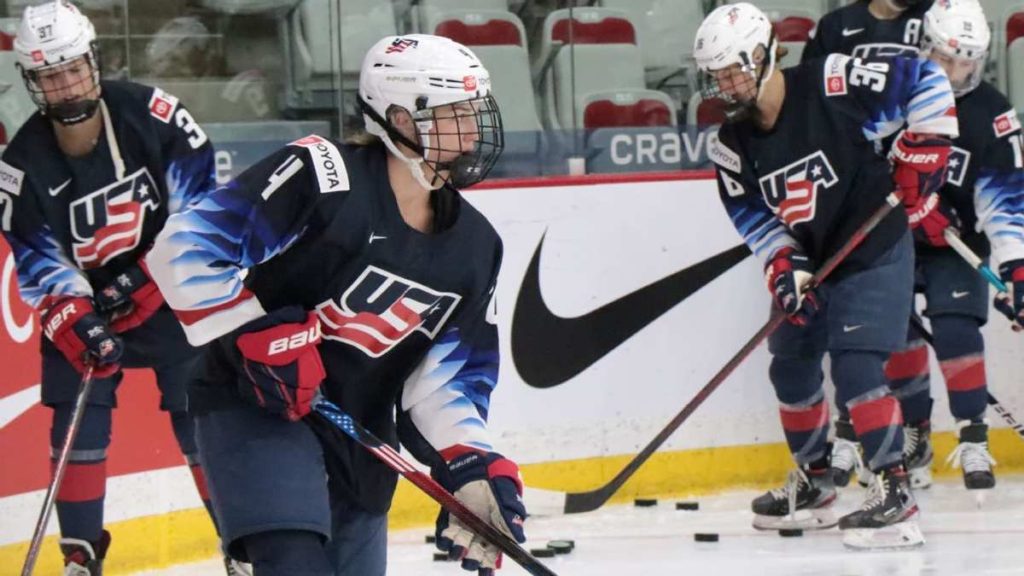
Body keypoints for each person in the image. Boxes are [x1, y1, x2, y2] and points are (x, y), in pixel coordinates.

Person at [144, 34, 525, 575]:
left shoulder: (477, 246)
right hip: (258, 410)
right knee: (293, 563)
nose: (472, 130)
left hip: (361, 438)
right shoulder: (324, 174)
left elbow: (447, 382)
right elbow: (186, 247)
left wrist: (472, 465)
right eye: (453, 114)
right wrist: (254, 334)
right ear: (399, 118)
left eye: (474, 111)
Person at [693, 3, 959, 549]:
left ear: (767, 55)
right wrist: (785, 266)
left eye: (737, 68)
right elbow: (756, 219)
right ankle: (815, 483)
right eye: (718, 75)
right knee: (789, 366)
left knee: (857, 365)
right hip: (817, 260)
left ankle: (893, 491)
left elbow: (928, 79)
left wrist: (926, 147)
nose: (729, 83)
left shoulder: (833, 80)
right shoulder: (728, 145)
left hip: (874, 245)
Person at [0, 1, 235, 574]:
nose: (67, 84)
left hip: (171, 296)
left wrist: (152, 279)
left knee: (199, 416)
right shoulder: (19, 167)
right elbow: (40, 262)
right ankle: (81, 557)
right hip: (89, 306)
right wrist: (75, 315)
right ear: (32, 82)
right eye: (51, 75)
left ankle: (241, 545)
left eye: (74, 67)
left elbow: (201, 209)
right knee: (77, 425)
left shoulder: (154, 114)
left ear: (93, 60)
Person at [833, 0, 1024, 495]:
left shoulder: (992, 112)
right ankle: (915, 434)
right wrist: (911, 208)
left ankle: (974, 436)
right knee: (895, 334)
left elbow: (1003, 197)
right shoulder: (891, 96)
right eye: (947, 60)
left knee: (958, 324)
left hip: (955, 241)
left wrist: (1016, 264)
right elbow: (857, 166)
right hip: (893, 239)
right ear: (924, 48)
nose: (958, 73)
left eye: (968, 63)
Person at [802, 0, 933, 63]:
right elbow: (808, 83)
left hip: (916, 111)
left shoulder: (936, 18)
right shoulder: (835, 23)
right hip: (851, 112)